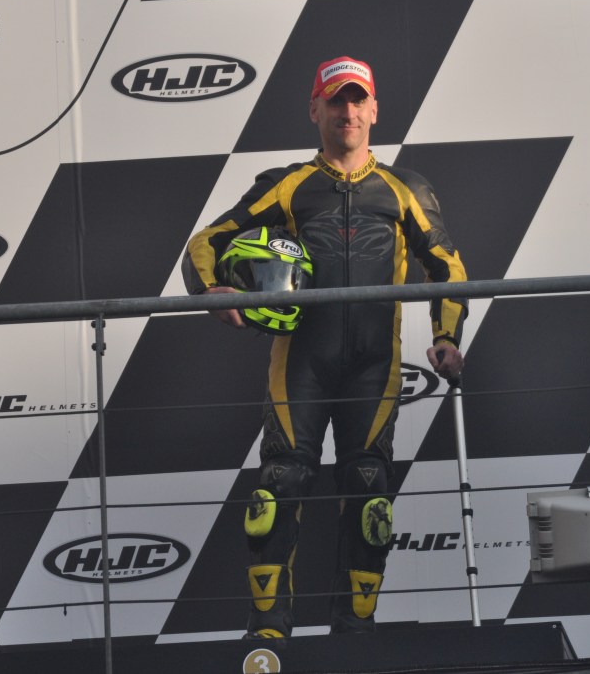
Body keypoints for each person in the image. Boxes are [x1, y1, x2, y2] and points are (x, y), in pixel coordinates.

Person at [181, 56, 467, 638]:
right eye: (336, 100)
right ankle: (268, 631)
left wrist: (445, 337)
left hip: (375, 365)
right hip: (301, 363)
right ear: (315, 109)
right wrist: (212, 290)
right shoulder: (288, 184)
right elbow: (206, 241)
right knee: (279, 485)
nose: (348, 112)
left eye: (358, 100)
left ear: (375, 110)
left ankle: (354, 633)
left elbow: (448, 266)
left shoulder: (405, 189)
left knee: (370, 492)